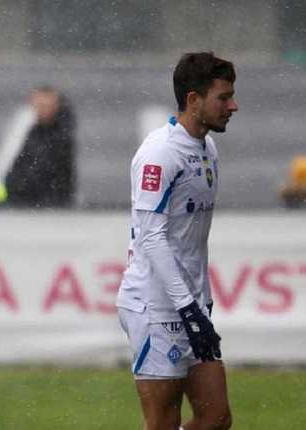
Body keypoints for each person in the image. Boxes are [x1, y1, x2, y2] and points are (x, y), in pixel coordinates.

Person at [117, 52, 238, 430]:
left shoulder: (207, 147)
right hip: (157, 306)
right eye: (224, 97)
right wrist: (186, 306)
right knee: (162, 422)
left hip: (192, 305)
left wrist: (198, 301)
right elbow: (151, 238)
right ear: (193, 99)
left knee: (216, 418)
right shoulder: (159, 154)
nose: (233, 105)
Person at [5, 86, 76, 208]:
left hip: (44, 203)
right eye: (38, 105)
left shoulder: (60, 136)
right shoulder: (32, 131)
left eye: (45, 105)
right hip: (27, 201)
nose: (41, 109)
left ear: (56, 106)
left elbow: (49, 171)